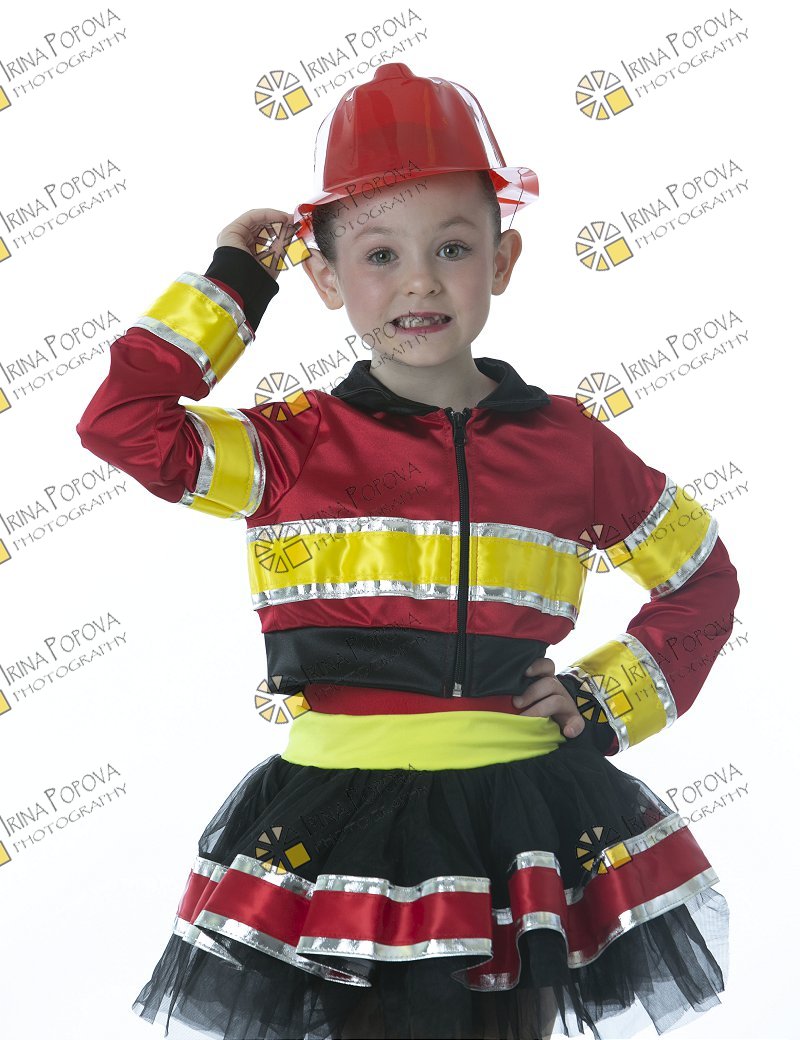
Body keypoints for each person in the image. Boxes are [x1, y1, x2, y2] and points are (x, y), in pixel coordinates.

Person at [75, 62, 738, 1040]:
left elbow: (698, 577)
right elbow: (123, 421)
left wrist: (605, 697)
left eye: (453, 248)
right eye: (379, 254)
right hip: (340, 823)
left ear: (502, 262)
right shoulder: (288, 447)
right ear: (325, 278)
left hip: (522, 818)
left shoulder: (571, 445)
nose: (420, 280)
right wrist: (232, 284)